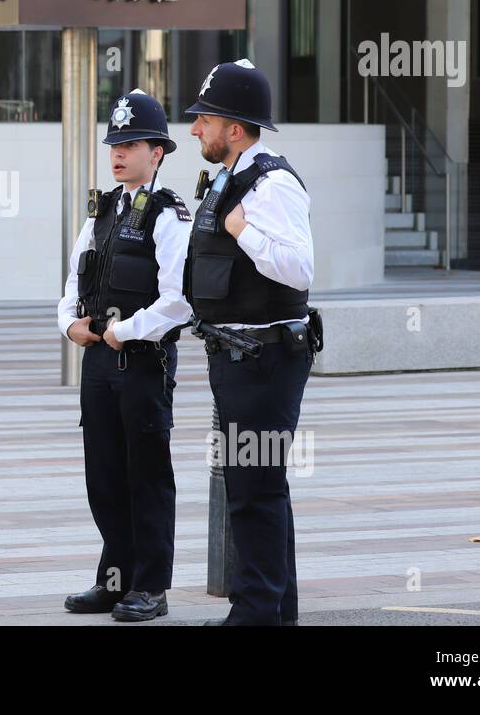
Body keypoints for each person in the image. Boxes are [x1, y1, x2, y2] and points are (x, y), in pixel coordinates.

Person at [181, 58, 318, 626]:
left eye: (204, 120)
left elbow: (299, 267)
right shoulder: (231, 178)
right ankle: (275, 610)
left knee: (253, 490)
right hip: (240, 356)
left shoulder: (272, 182)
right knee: (261, 485)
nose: (194, 130)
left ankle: (256, 612)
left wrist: (242, 230)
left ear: (234, 128)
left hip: (264, 358)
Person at [58, 88, 193, 622]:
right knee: (104, 477)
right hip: (98, 364)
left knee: (147, 476)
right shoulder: (103, 208)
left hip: (142, 364)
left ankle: (151, 587)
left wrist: (127, 331)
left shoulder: (169, 213)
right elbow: (75, 277)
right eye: (114, 143)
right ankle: (114, 582)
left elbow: (178, 300)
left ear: (157, 152)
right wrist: (69, 322)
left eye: (131, 144)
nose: (118, 153)